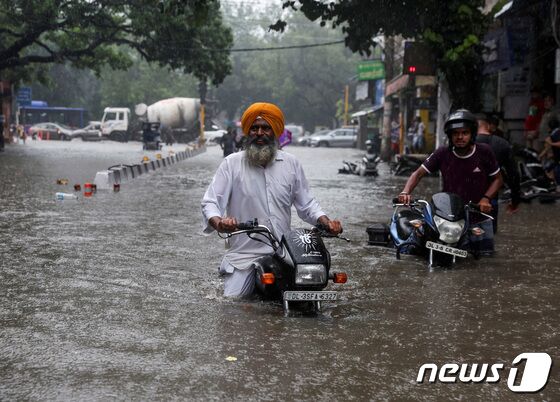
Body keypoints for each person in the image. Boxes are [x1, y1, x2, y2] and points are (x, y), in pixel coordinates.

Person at [201, 102, 343, 298]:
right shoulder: (231, 164)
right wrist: (220, 222)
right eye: (254, 127)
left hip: (285, 253)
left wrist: (327, 223)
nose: (260, 133)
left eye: (266, 127)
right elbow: (210, 202)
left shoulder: (291, 164)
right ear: (247, 132)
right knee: (233, 303)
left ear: (275, 131)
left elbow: (307, 204)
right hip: (245, 256)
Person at [398, 109, 503, 255]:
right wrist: (405, 192)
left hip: (477, 217)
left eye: (464, 133)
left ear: (472, 134)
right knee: (429, 254)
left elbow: (498, 179)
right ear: (450, 135)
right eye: (456, 133)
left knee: (485, 261)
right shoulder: (442, 153)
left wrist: (486, 199)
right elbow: (418, 174)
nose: (460, 137)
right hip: (449, 219)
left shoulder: (484, 152)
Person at [476, 114, 521, 233]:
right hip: (491, 199)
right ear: (488, 126)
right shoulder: (502, 144)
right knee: (490, 237)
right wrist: (515, 200)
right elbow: (514, 174)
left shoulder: (464, 144)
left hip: (467, 199)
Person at [543, 117, 560, 184]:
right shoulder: (553, 134)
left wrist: (550, 143)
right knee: (548, 168)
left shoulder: (557, 133)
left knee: (556, 171)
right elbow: (547, 147)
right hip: (556, 159)